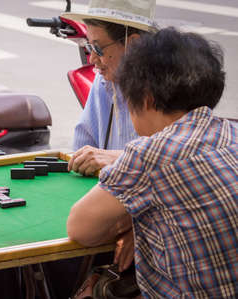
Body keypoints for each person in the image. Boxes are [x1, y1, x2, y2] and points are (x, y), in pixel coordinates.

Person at [67, 27, 237, 298]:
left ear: (145, 99)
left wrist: (131, 219)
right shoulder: (231, 132)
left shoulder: (148, 154)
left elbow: (80, 227)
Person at [62, 0, 156, 176]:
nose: (92, 59)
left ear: (133, 44)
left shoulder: (170, 83)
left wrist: (120, 158)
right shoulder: (104, 80)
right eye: (90, 47)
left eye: (98, 47)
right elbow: (82, 147)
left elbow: (177, 157)